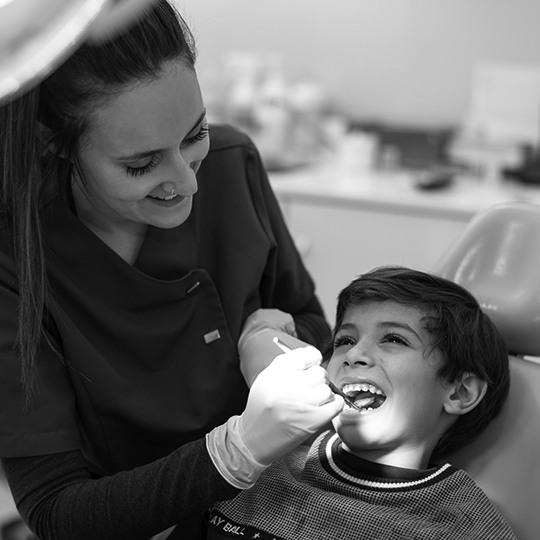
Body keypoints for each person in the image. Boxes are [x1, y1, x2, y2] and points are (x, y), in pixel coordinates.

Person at [0, 2, 343, 539]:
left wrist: (276, 340)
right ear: (56, 145)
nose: (187, 183)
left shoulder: (231, 164)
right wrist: (236, 452)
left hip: (271, 512)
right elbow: (57, 511)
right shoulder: (16, 253)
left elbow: (314, 320)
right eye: (142, 164)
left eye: (194, 134)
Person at [206, 266, 517, 540]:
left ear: (459, 393)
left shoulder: (461, 527)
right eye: (345, 341)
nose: (353, 355)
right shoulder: (262, 460)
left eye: (394, 339)